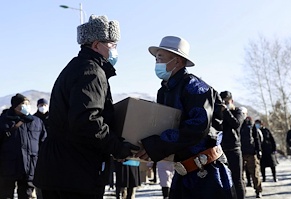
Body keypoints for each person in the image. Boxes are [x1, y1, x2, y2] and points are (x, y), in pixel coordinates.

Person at [33, 15, 139, 199]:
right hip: (75, 174)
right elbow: (87, 121)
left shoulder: (76, 66)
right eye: (113, 44)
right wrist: (118, 147)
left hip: (61, 171)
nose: (115, 50)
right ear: (97, 45)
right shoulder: (91, 71)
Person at [136, 36, 235, 199]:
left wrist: (156, 145)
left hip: (207, 174)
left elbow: (197, 127)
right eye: (156, 57)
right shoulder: (164, 91)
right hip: (183, 173)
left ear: (177, 60)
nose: (157, 62)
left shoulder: (196, 88)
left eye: (161, 57)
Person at [0, 93, 47, 199]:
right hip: (7, 168)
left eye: (28, 104)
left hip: (29, 167)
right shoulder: (3, 121)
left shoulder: (36, 122)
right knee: (5, 195)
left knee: (28, 195)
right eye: (23, 104)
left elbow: (43, 143)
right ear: (15, 106)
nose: (27, 106)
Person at [220, 91, 246, 199]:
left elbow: (236, 124)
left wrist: (226, 111)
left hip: (234, 149)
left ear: (231, 101)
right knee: (224, 179)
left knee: (237, 179)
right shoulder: (220, 113)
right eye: (223, 102)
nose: (225, 104)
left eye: (226, 101)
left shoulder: (238, 111)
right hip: (221, 150)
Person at [240, 116, 262, 197]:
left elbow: (256, 138)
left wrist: (258, 150)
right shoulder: (237, 124)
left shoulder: (251, 124)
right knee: (240, 175)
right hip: (240, 152)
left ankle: (258, 190)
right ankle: (242, 191)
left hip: (251, 152)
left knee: (255, 173)